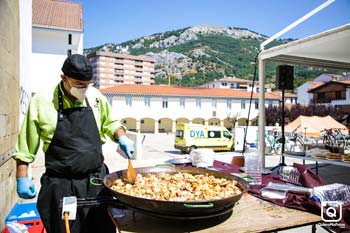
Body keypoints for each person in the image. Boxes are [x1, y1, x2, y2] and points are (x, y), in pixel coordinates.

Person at [13, 54, 135, 233]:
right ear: (63, 78)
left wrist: (121, 136)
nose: (84, 89)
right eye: (79, 84)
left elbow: (111, 123)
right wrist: (21, 177)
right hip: (61, 184)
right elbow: (25, 144)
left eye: (87, 84)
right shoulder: (42, 100)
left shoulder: (95, 97)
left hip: (94, 182)